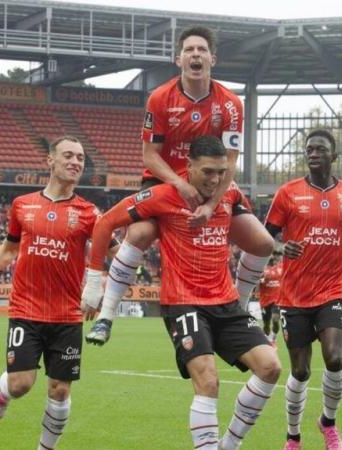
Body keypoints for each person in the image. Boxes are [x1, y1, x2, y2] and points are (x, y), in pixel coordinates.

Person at [84, 135, 280, 450]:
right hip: (183, 303)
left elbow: (259, 239)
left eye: (221, 171)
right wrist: (95, 278)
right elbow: (105, 222)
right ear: (188, 167)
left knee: (271, 367)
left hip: (226, 304)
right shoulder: (163, 196)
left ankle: (229, 445)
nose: (215, 179)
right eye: (207, 172)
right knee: (208, 381)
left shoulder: (230, 195)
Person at [83, 26, 274, 344]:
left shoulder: (231, 105)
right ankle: (106, 317)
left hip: (213, 183)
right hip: (164, 180)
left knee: (263, 243)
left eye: (201, 49)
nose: (195, 54)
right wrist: (181, 185)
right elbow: (149, 155)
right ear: (178, 59)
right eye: (189, 50)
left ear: (212, 58)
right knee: (140, 233)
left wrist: (211, 204)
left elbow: (229, 160)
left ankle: (238, 309)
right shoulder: (159, 98)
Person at [0, 136, 116, 450]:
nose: (76, 162)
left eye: (80, 158)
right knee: (21, 384)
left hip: (67, 316)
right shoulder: (22, 205)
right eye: (68, 155)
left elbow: (116, 252)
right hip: (26, 310)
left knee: (60, 390)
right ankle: (2, 391)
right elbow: (10, 249)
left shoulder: (90, 213)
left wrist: (101, 286)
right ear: (50, 161)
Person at [264, 129, 342, 450]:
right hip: (294, 295)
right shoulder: (287, 193)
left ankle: (328, 422)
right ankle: (293, 436)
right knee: (300, 370)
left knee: (335, 358)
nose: (313, 153)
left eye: (320, 149)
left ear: (333, 156)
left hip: (334, 290)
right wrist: (283, 248)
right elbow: (265, 235)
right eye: (309, 149)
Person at [258, 256, 283, 345]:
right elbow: (257, 283)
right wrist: (261, 280)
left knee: (275, 319)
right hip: (265, 301)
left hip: (277, 300)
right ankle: (267, 337)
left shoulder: (281, 268)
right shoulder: (262, 270)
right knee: (266, 325)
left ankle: (274, 338)